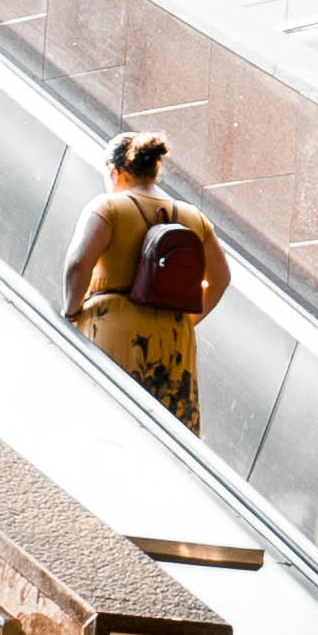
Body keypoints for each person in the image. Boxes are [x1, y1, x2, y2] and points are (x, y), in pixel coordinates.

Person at [65, 126, 228, 431]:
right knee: (167, 440)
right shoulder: (193, 217)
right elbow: (221, 279)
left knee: (107, 426)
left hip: (114, 328)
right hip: (175, 340)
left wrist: (72, 310)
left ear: (115, 172)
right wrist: (187, 321)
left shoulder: (108, 207)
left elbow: (78, 264)